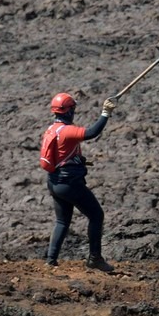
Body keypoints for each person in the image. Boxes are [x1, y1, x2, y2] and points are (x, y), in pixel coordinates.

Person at [40, 91, 116, 271]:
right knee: (96, 216)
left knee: (62, 221)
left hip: (54, 183)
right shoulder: (67, 131)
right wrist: (105, 113)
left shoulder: (52, 129)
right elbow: (91, 132)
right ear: (68, 111)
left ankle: (51, 260)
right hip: (69, 184)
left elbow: (61, 154)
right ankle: (95, 259)